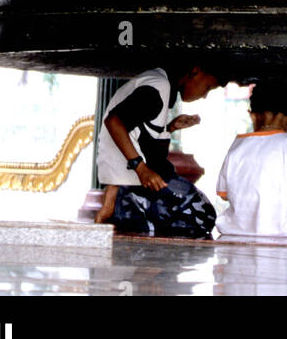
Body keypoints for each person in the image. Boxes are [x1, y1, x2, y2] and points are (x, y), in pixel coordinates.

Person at [95, 63, 224, 237]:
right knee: (201, 216)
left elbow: (139, 135)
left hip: (128, 178)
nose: (204, 95)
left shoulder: (159, 83)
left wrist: (170, 128)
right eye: (207, 87)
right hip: (131, 181)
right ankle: (125, 206)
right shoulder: (158, 86)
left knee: (201, 215)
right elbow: (114, 122)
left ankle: (124, 206)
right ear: (195, 71)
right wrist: (141, 169)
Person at [216, 78, 287, 238]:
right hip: (284, 230)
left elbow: (224, 195)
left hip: (236, 230)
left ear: (252, 116)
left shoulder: (236, 147)